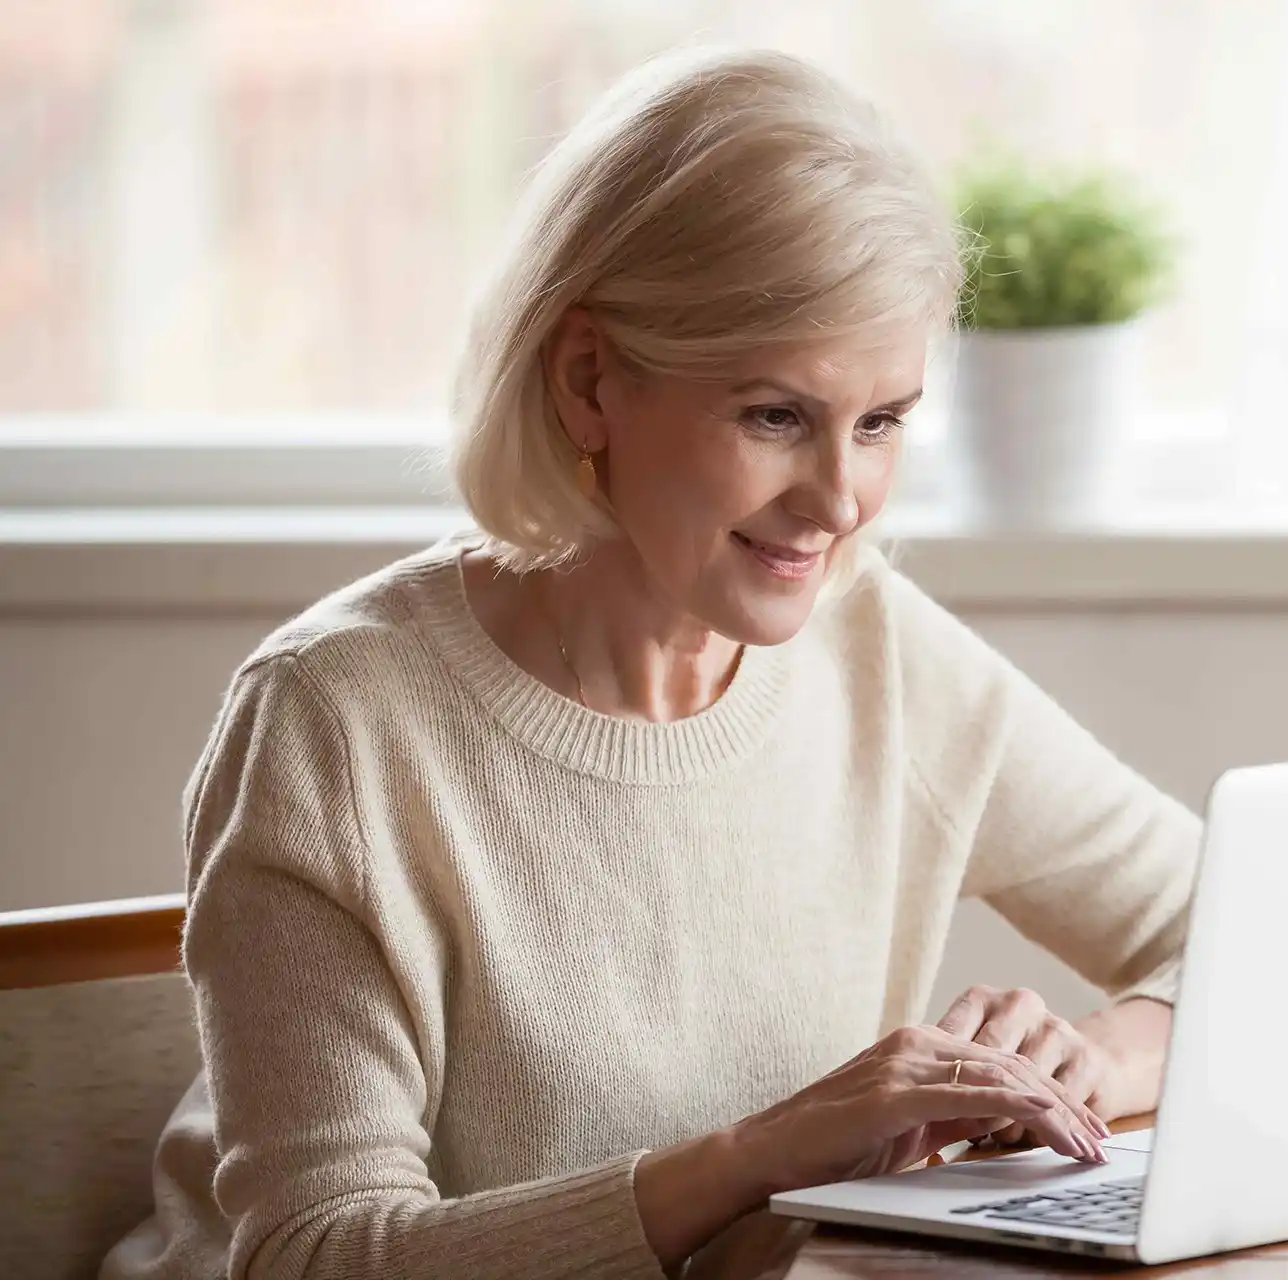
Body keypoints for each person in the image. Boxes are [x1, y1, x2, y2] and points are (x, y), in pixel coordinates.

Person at [104, 46, 1198, 1280]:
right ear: (588, 385)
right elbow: (314, 1255)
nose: (840, 500)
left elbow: (1234, 922)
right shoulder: (336, 722)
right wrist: (760, 1154)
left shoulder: (875, 646)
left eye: (882, 420)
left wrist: (1095, 1057)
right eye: (775, 414)